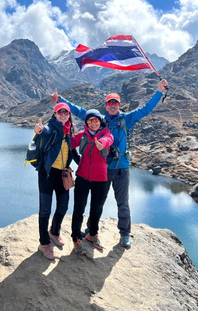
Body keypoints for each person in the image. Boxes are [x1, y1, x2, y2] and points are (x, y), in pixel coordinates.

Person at [51, 79, 169, 248]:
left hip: (122, 167)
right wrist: (60, 99)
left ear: (119, 105)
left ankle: (125, 233)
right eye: (109, 103)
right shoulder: (99, 120)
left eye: (115, 103)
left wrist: (159, 92)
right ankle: (92, 231)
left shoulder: (126, 119)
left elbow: (146, 110)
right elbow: (78, 111)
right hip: (103, 169)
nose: (112, 105)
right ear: (105, 105)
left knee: (123, 202)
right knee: (99, 202)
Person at [33, 102, 76, 259]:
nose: (63, 114)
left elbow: (73, 151)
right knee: (45, 210)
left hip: (62, 174)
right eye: (60, 112)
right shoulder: (51, 127)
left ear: (69, 114)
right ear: (55, 114)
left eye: (66, 112)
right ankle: (44, 243)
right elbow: (44, 131)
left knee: (63, 207)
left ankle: (54, 232)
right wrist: (38, 130)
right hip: (47, 174)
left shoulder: (70, 130)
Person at [70, 109, 114, 255]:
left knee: (96, 208)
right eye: (90, 121)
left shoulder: (106, 134)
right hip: (82, 177)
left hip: (100, 178)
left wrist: (101, 143)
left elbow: (109, 140)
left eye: (96, 120)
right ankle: (76, 238)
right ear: (86, 123)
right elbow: (69, 144)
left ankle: (92, 234)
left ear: (100, 121)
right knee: (79, 209)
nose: (93, 123)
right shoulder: (82, 136)